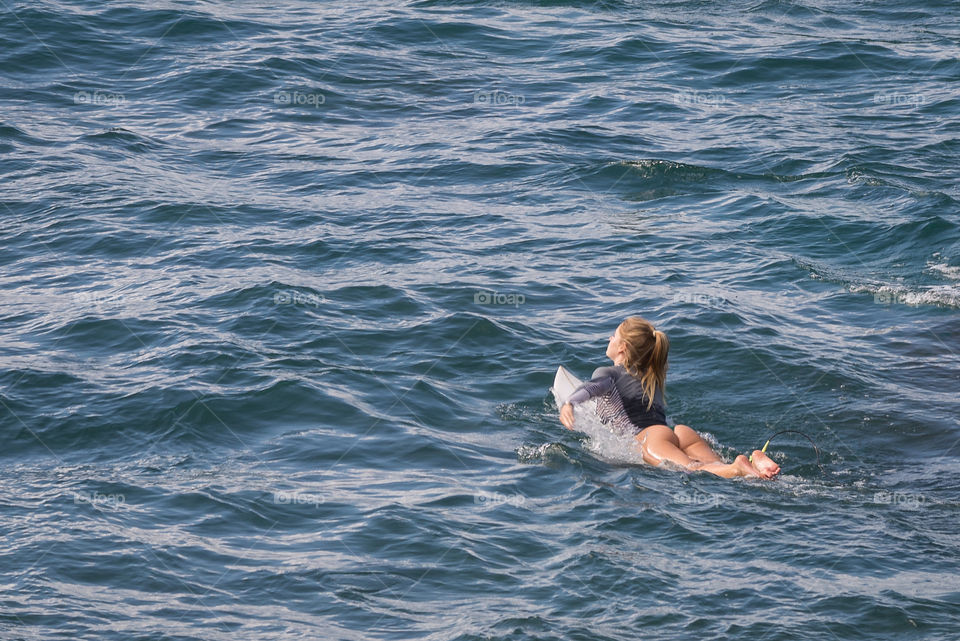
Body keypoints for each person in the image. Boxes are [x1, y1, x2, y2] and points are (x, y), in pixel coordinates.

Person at [559, 317, 780, 479]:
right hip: (680, 433)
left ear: (622, 348)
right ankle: (752, 463)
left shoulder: (608, 373)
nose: (610, 338)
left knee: (691, 469)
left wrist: (569, 404)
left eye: (614, 337)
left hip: (649, 439)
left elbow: (592, 388)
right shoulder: (652, 375)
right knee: (714, 465)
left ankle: (739, 467)